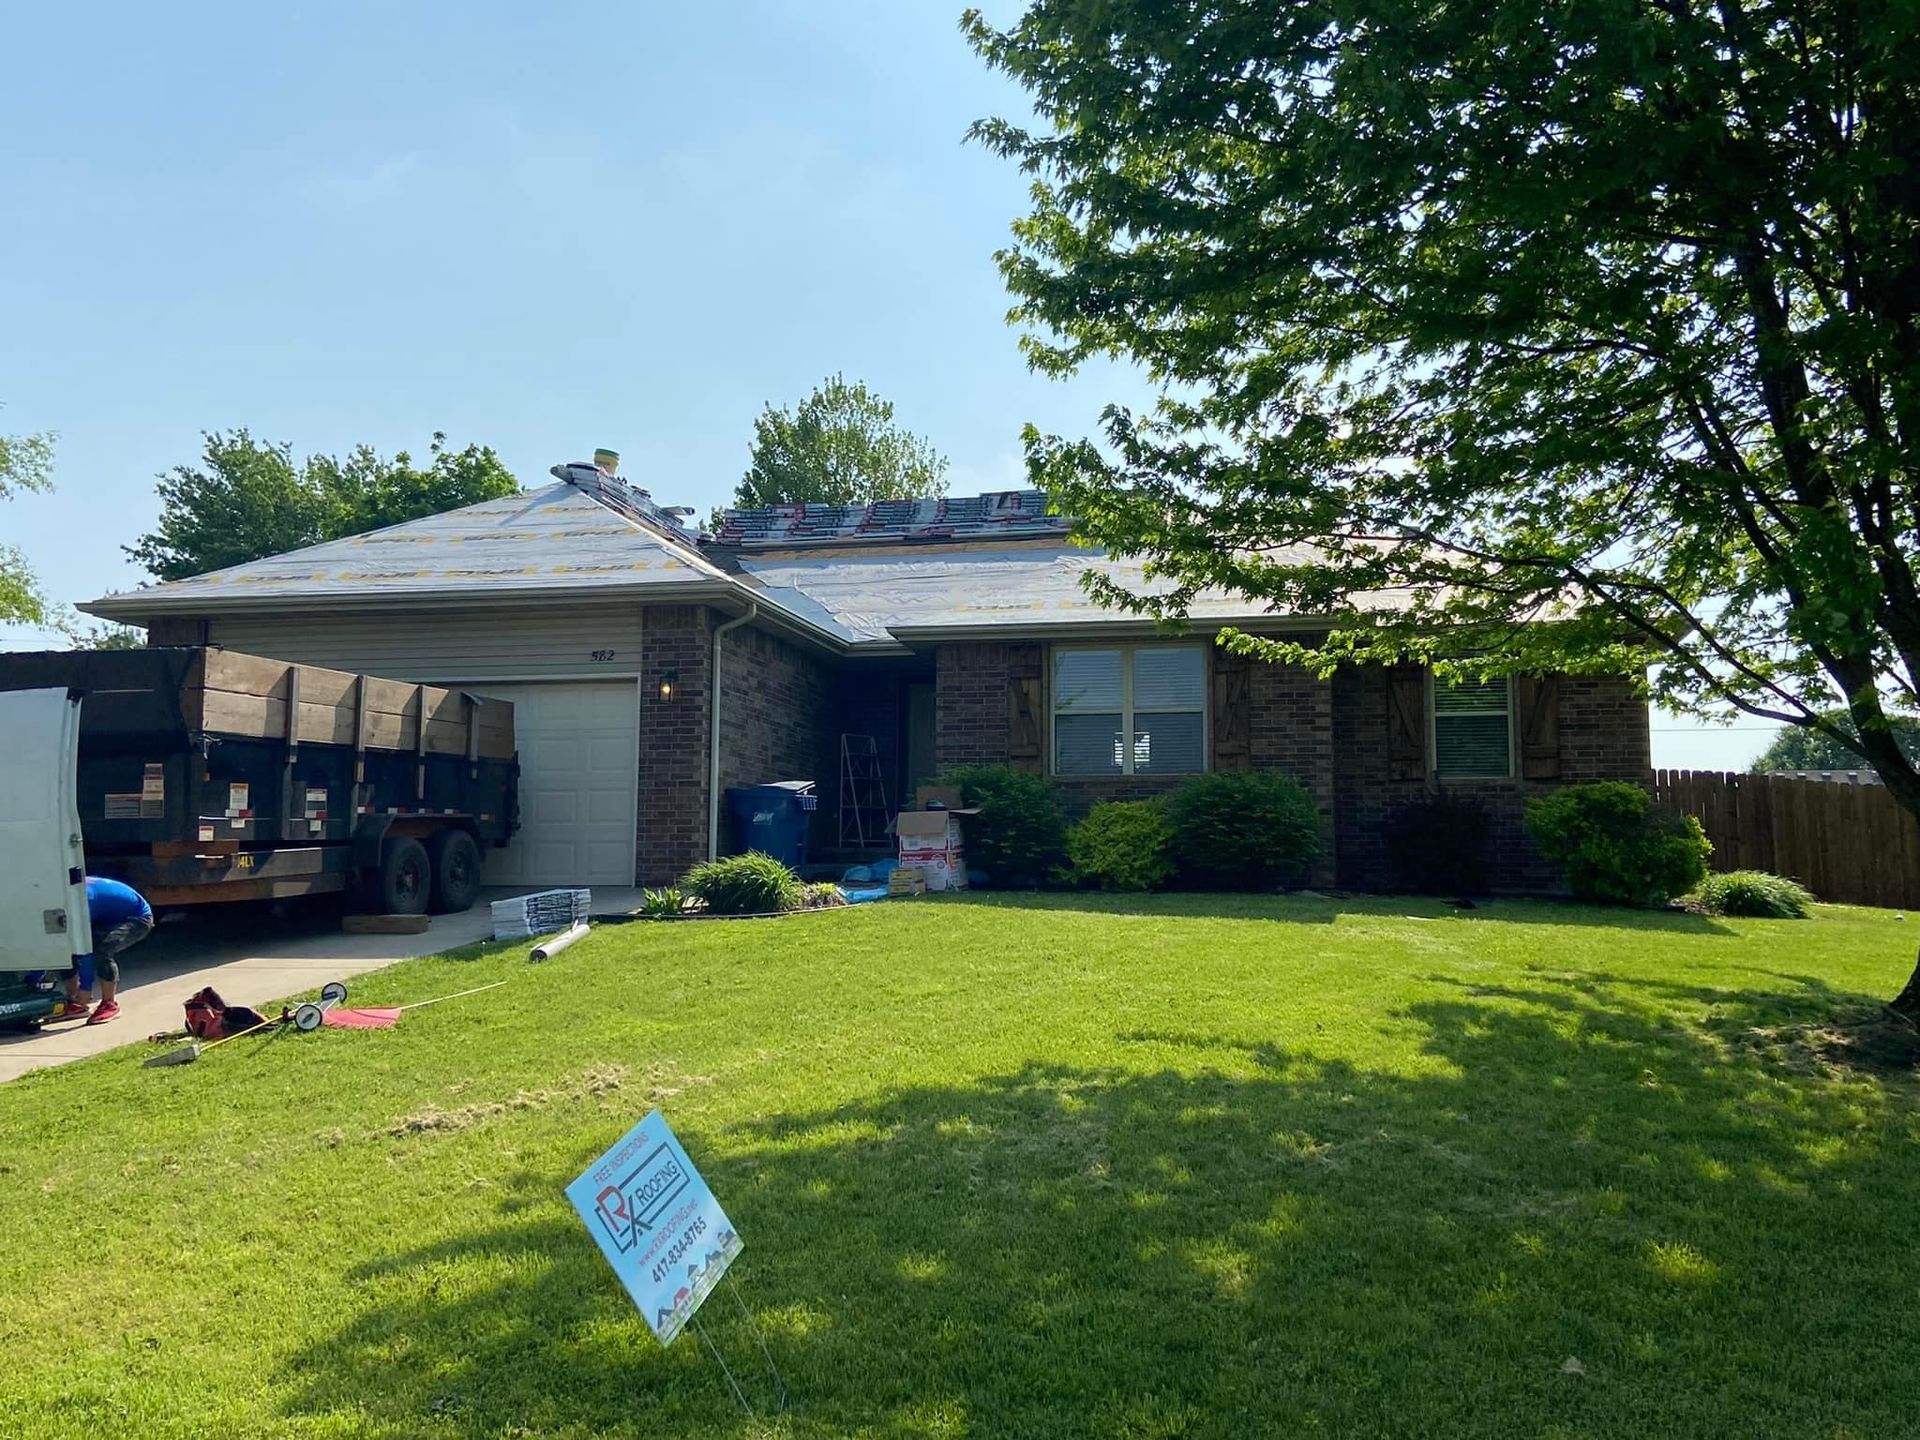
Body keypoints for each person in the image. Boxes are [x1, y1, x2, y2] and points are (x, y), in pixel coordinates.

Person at [61, 877, 154, 1026]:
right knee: (65, 945)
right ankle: (74, 1002)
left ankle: (109, 1004)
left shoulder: (82, 899)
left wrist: (86, 988)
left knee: (101, 951)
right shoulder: (61, 893)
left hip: (137, 917)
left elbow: (85, 948)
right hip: (108, 916)